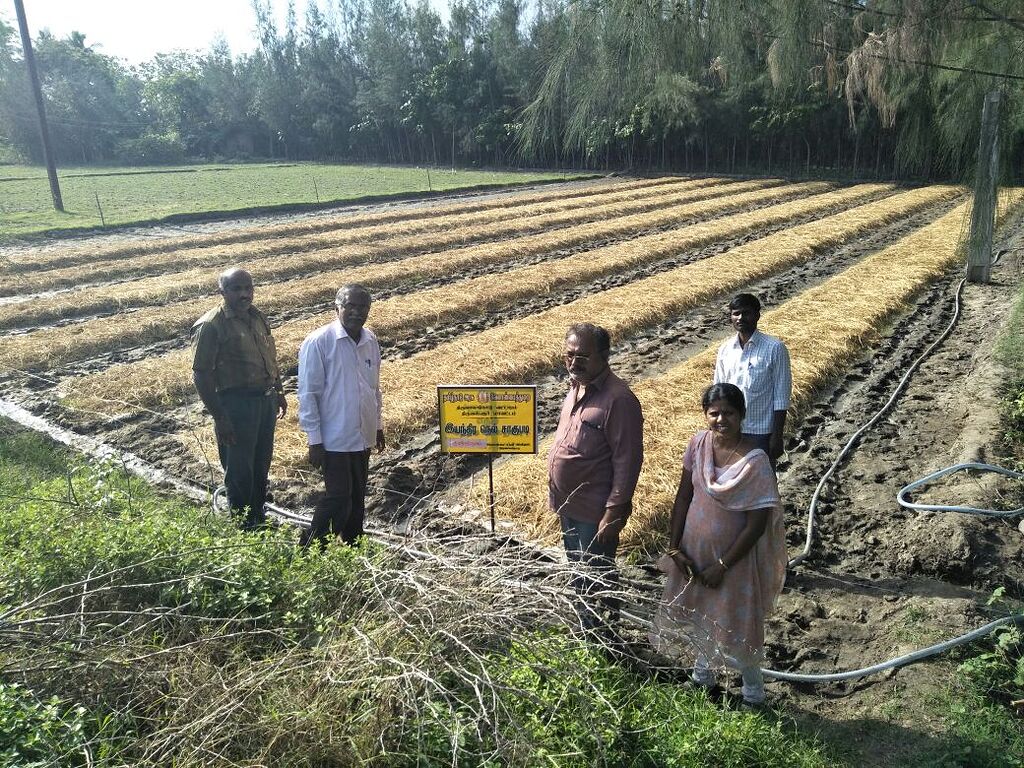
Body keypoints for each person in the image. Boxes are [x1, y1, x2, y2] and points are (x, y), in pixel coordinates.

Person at [650, 383, 787, 707]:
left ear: (742, 416)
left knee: (739, 625)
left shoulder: (755, 462)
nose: (721, 419)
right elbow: (684, 497)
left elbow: (757, 525)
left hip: (733, 561)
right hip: (693, 555)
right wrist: (674, 548)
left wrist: (723, 565)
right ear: (705, 416)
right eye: (714, 413)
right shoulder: (698, 446)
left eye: (728, 413)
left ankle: (753, 693)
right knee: (700, 614)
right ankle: (703, 677)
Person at [547, 322, 644, 629]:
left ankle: (599, 633)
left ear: (604, 356)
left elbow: (627, 461)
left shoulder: (619, 400)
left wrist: (615, 511)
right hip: (568, 505)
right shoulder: (576, 388)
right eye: (570, 354)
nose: (574, 362)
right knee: (579, 568)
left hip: (594, 510)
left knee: (594, 572)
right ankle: (589, 622)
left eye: (584, 356)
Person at [192, 267, 287, 530]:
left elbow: (270, 357)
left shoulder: (257, 317)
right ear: (222, 292)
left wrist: (278, 391)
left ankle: (258, 517)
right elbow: (201, 374)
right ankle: (244, 527)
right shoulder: (211, 325)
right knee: (239, 471)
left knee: (260, 465)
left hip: (264, 401)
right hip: (236, 406)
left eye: (248, 288)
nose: (245, 294)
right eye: (237, 289)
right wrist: (220, 417)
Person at [297, 284, 385, 547]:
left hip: (362, 434)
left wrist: (377, 426)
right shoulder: (319, 342)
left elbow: (373, 388)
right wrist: (314, 440)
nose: (357, 312)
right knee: (338, 498)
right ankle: (311, 549)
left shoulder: (370, 340)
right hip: (334, 438)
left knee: (357, 496)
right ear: (337, 308)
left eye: (363, 307)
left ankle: (353, 544)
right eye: (351, 306)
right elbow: (308, 394)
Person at [713, 293, 791, 470]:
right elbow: (717, 391)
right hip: (731, 431)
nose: (740, 318)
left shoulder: (774, 348)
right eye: (736, 313)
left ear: (757, 315)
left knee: (761, 485)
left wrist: (776, 436)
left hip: (760, 433)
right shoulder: (725, 350)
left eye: (746, 313)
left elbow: (781, 396)